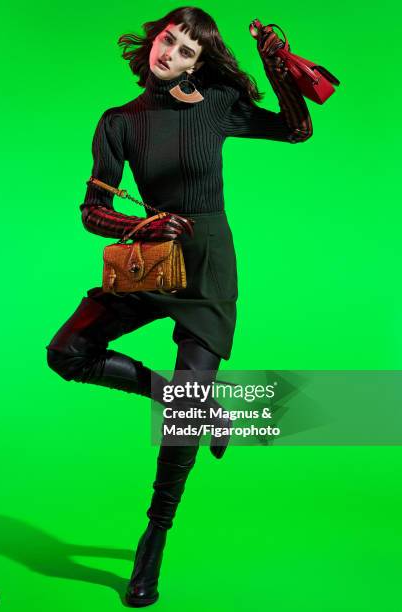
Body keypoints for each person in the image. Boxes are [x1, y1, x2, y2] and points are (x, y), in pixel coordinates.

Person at [46, 6, 313, 607]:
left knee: (186, 414)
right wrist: (143, 223)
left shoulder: (216, 104)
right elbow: (92, 212)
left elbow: (296, 130)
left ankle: (155, 536)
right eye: (169, 39)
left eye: (188, 50)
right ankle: (184, 397)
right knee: (67, 353)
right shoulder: (119, 122)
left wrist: (277, 68)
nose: (172, 53)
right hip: (151, 260)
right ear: (154, 40)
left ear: (200, 61)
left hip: (209, 264)